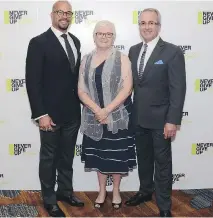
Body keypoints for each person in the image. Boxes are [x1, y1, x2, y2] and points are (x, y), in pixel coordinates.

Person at [125, 8, 186, 217]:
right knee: (143, 159)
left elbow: (178, 89)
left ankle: (164, 206)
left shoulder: (172, 51)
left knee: (162, 165)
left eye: (151, 23)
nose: (147, 27)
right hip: (138, 119)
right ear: (139, 26)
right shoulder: (133, 51)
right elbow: (131, 86)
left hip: (161, 121)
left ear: (158, 26)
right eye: (143, 23)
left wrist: (172, 121)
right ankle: (144, 191)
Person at [25, 0, 84, 217]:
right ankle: (49, 200)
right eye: (61, 12)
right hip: (49, 115)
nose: (65, 16)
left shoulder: (76, 42)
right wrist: (41, 114)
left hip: (72, 114)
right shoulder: (39, 42)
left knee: (67, 156)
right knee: (49, 158)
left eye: (69, 13)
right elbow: (33, 82)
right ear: (52, 15)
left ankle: (65, 192)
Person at [78, 20, 137, 209]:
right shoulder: (86, 59)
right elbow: (81, 90)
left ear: (114, 37)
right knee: (99, 156)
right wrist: (97, 110)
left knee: (116, 156)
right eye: (100, 34)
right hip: (94, 117)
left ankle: (116, 191)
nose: (104, 37)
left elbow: (127, 89)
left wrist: (106, 110)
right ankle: (102, 190)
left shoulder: (123, 58)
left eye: (108, 34)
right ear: (94, 36)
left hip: (117, 116)